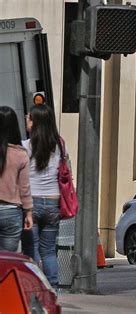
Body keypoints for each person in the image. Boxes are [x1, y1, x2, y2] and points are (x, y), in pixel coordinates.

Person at [22, 105, 65, 289]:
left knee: (31, 251)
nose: (26, 120)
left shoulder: (25, 146)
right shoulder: (60, 145)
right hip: (53, 203)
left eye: (29, 118)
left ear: (35, 122)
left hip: (32, 204)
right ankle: (53, 289)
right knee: (49, 251)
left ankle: (34, 288)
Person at [0, 106, 33, 252]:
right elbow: (24, 187)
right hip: (12, 212)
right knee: (8, 261)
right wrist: (29, 213)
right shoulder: (20, 154)